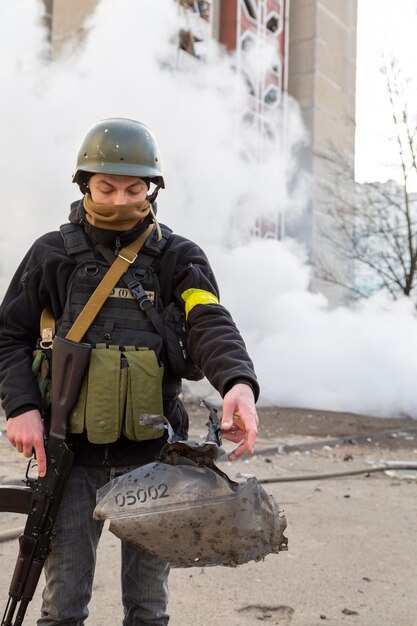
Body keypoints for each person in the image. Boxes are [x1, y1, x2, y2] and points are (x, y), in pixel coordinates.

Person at [0, 118, 259, 626]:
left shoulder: (179, 258)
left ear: (152, 187)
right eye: (106, 187)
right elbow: (10, 336)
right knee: (63, 606)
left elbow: (208, 322)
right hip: (70, 460)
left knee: (147, 608)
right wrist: (23, 407)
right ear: (84, 184)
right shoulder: (51, 254)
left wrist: (238, 383)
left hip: (155, 458)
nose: (120, 200)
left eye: (133, 188)